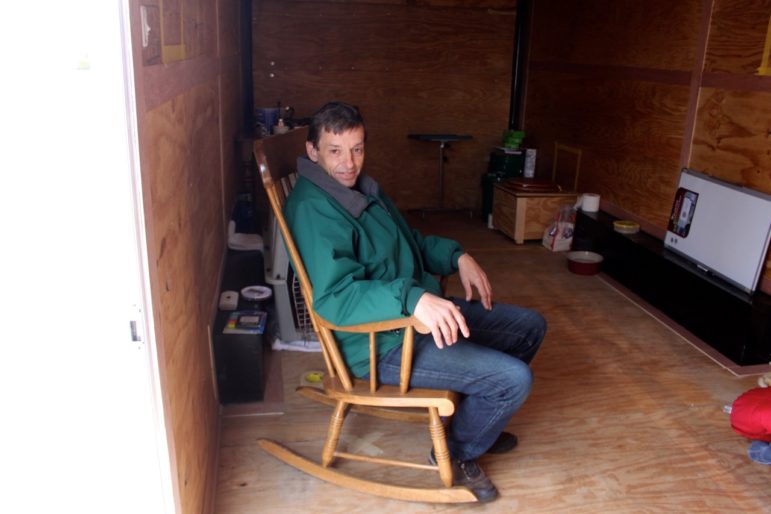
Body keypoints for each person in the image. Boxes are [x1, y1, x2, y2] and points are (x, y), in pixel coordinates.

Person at [283, 101, 546, 502]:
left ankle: (476, 425)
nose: (348, 163)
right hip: (380, 344)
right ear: (312, 151)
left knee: (529, 327)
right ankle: (457, 454)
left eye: (357, 148)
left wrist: (458, 256)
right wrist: (411, 297)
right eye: (335, 150)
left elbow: (413, 243)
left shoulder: (363, 190)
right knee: (512, 380)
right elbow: (336, 299)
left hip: (414, 314)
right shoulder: (314, 209)